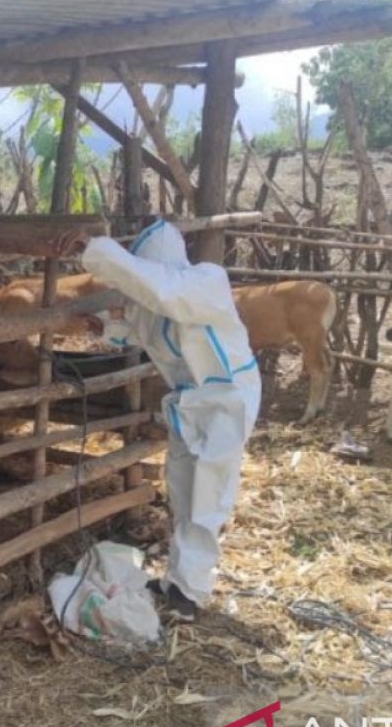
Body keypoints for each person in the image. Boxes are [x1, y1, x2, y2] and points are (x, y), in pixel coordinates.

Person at [58, 221, 261, 622]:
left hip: (227, 399)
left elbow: (160, 291)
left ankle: (192, 591)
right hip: (190, 403)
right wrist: (108, 328)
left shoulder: (205, 282)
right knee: (182, 488)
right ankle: (177, 580)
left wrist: (97, 249)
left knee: (208, 497)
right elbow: (138, 332)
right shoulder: (158, 300)